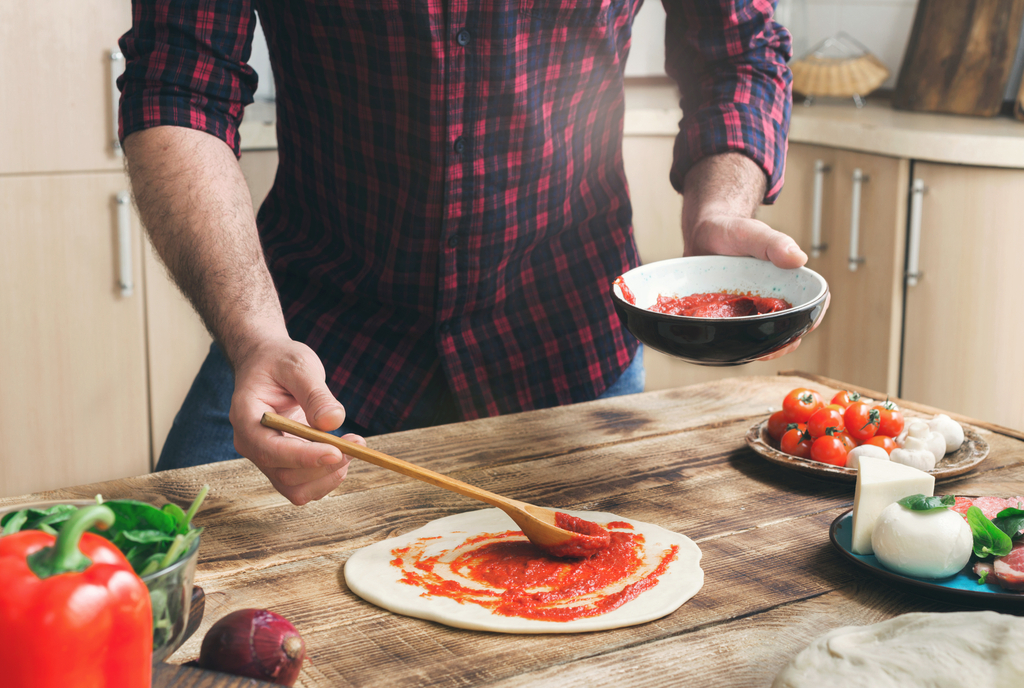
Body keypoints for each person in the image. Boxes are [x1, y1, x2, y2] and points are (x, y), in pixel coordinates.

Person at [118, 1, 806, 506]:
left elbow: (739, 52)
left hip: (565, 337)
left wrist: (719, 209)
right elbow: (179, 84)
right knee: (165, 600)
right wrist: (255, 336)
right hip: (306, 344)